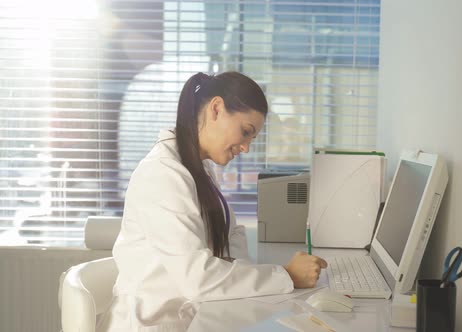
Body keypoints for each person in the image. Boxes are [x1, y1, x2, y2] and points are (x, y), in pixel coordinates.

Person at [97, 72, 328, 331]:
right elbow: (198, 278)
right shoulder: (162, 174)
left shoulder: (199, 169)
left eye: (252, 139)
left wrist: (250, 276)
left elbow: (232, 236)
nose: (246, 148)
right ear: (216, 109)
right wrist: (286, 275)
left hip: (195, 316)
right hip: (155, 324)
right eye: (245, 132)